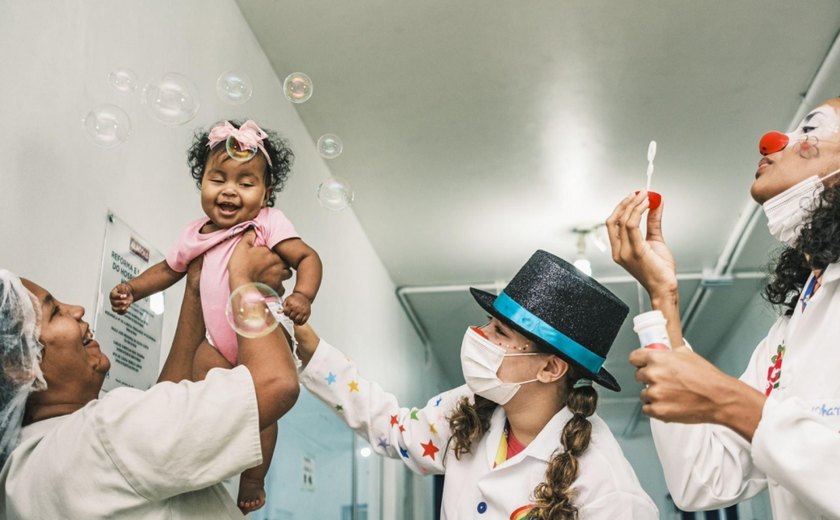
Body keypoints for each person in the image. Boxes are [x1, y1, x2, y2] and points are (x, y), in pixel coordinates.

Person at [293, 250, 659, 519]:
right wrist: (314, 354)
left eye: (498, 332)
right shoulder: (468, 406)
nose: (477, 335)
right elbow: (392, 428)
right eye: (489, 323)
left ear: (550, 367)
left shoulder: (607, 487)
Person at [607, 98, 840, 518]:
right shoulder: (790, 331)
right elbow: (703, 480)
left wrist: (729, 400)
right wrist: (665, 298)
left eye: (811, 130)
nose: (771, 143)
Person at [0, 232, 300, 518]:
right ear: (19, 367)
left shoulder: (19, 474)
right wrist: (247, 283)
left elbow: (157, 428)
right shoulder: (103, 434)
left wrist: (197, 287)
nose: (76, 309)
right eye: (55, 313)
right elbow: (274, 383)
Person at [109, 119, 322, 512]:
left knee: (262, 404)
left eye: (245, 182)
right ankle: (198, 457)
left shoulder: (268, 223)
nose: (229, 190)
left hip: (262, 333)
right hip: (216, 344)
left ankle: (253, 477)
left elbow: (307, 257)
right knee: (205, 386)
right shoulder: (195, 233)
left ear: (266, 193)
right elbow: (169, 270)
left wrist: (304, 295)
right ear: (202, 182)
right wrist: (134, 288)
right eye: (218, 178)